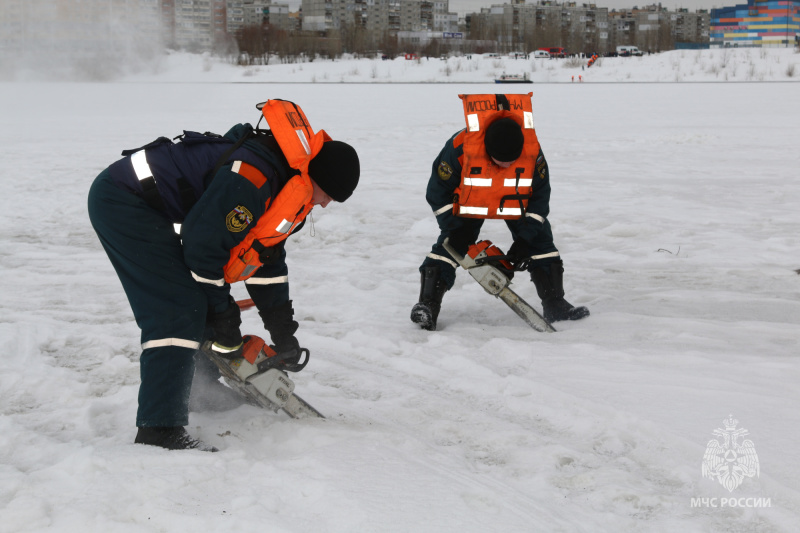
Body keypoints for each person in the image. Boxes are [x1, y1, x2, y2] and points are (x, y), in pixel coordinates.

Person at [88, 99, 360, 451]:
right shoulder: (253, 179)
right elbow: (203, 254)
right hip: (123, 202)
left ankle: (196, 390)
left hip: (144, 207)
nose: (324, 204)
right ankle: (159, 431)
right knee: (178, 309)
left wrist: (283, 332)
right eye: (328, 196)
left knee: (198, 302)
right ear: (316, 179)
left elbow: (268, 262)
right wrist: (225, 316)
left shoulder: (288, 190)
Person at [411, 93, 588, 331]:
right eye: (500, 161)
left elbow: (540, 195)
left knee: (541, 240)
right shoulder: (459, 147)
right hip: (469, 198)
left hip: (515, 198)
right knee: (450, 245)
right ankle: (428, 306)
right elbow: (437, 192)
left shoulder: (532, 150)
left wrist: (526, 238)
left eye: (511, 162)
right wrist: (453, 228)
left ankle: (555, 304)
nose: (505, 165)